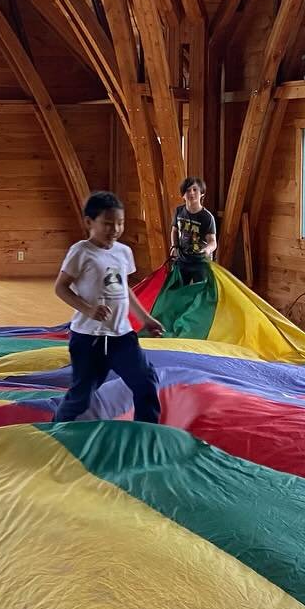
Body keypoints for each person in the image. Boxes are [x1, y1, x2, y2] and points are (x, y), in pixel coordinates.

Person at [53, 191, 166, 424]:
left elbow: (125, 289)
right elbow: (61, 288)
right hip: (88, 338)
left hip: (121, 336)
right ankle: (57, 429)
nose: (115, 229)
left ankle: (146, 431)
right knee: (81, 396)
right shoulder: (81, 251)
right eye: (107, 223)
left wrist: (145, 319)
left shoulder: (123, 252)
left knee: (145, 382)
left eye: (120, 223)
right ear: (89, 223)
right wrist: (88, 309)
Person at [170, 176, 217, 284]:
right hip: (182, 258)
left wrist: (207, 250)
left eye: (195, 189)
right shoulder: (179, 211)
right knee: (178, 289)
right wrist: (174, 246)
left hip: (200, 261)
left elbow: (213, 242)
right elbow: (174, 230)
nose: (191, 193)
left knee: (200, 292)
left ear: (202, 193)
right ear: (183, 195)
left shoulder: (207, 217)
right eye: (187, 190)